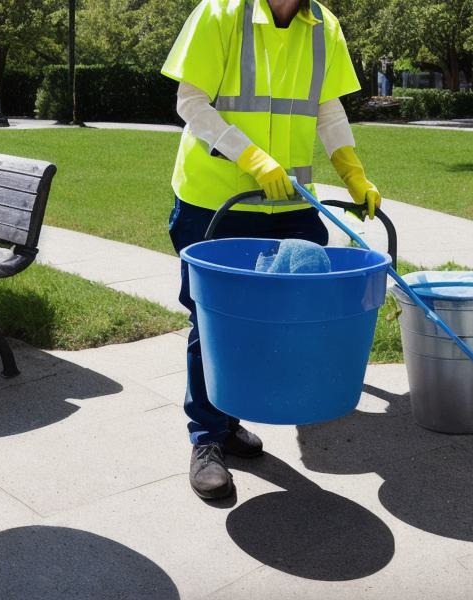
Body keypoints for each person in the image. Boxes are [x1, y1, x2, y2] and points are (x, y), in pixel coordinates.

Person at [162, 0, 381, 499]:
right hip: (217, 200)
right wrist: (253, 157)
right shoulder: (219, 13)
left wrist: (351, 170)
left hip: (290, 204)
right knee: (212, 319)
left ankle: (229, 412)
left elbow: (327, 108)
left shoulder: (324, 25)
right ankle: (207, 439)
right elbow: (191, 103)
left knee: (285, 317)